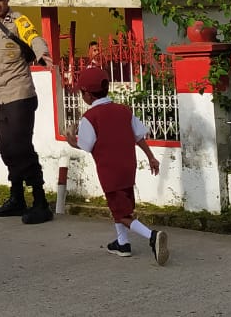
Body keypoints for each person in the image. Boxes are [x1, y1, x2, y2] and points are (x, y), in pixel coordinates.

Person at [66, 67, 169, 266]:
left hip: (109, 171)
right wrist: (151, 157)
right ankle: (122, 243)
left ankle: (152, 236)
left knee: (121, 212)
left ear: (87, 94)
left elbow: (85, 145)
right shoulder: (123, 111)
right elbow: (139, 136)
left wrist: (71, 139)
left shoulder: (90, 118)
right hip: (127, 168)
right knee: (121, 207)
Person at [0, 0, 56, 225]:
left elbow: (33, 37)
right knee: (6, 149)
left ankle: (40, 202)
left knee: (21, 148)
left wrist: (43, 53)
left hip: (21, 94)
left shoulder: (19, 20)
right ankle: (17, 198)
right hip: (1, 97)